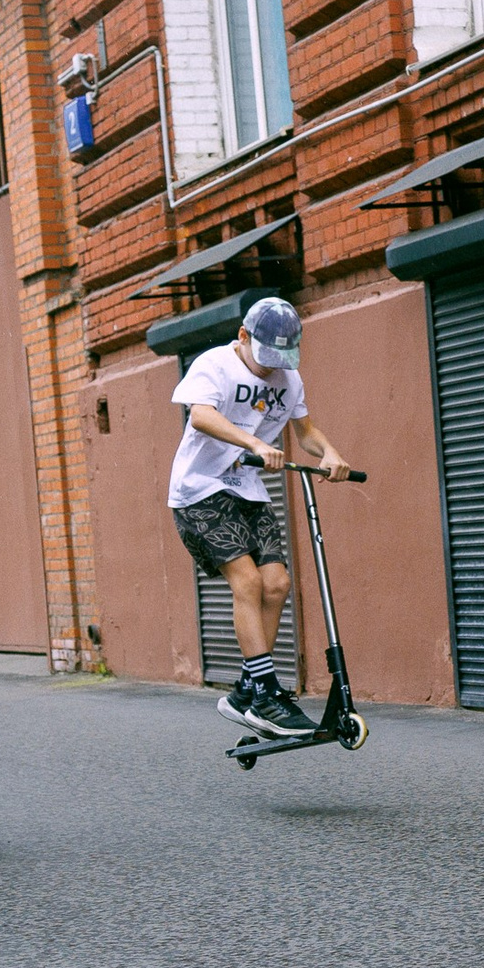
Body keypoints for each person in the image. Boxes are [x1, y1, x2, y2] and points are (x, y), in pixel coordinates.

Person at [170, 296, 348, 735]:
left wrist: (330, 453)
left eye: (281, 359)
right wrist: (252, 443)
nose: (273, 369)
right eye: (266, 357)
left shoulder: (289, 377)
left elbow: (304, 432)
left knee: (277, 583)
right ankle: (266, 693)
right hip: (199, 490)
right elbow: (201, 416)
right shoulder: (215, 364)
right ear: (243, 336)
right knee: (247, 581)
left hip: (247, 491)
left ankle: (246, 692)